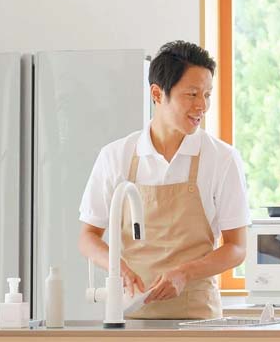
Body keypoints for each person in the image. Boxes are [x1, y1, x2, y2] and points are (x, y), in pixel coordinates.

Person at [78, 40, 250, 319]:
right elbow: (87, 237)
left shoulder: (222, 159)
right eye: (192, 94)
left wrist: (185, 273)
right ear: (157, 94)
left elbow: (237, 248)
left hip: (198, 318)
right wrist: (117, 267)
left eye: (207, 95)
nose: (202, 106)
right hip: (130, 315)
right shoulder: (116, 156)